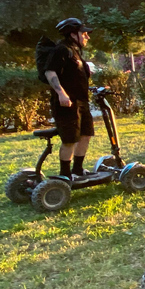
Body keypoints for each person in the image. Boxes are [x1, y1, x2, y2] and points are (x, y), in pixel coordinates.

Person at [44, 18, 96, 179]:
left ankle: (78, 170)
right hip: (66, 103)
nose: (87, 37)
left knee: (86, 135)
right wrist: (61, 93)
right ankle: (65, 175)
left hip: (81, 101)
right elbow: (50, 72)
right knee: (70, 139)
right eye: (84, 34)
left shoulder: (75, 50)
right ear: (73, 34)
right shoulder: (61, 49)